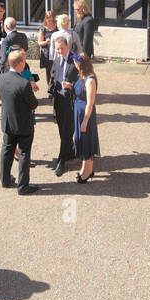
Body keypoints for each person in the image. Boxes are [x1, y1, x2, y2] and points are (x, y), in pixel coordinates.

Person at [0, 48, 40, 194]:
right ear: (21, 63)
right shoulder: (24, 83)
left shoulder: (0, 78)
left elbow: (3, 98)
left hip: (8, 122)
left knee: (7, 150)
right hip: (23, 124)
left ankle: (5, 179)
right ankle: (23, 186)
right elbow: (33, 104)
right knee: (23, 153)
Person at [50, 36, 77, 177]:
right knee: (62, 130)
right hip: (59, 100)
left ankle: (61, 161)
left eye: (61, 48)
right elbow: (53, 77)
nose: (59, 51)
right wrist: (52, 97)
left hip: (71, 101)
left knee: (67, 131)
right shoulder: (56, 59)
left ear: (68, 46)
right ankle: (70, 152)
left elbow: (86, 82)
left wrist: (72, 86)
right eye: (57, 48)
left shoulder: (77, 60)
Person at [72, 55, 101, 183]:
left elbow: (90, 103)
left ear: (80, 64)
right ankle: (85, 168)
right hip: (78, 113)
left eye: (75, 63)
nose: (74, 65)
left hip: (85, 115)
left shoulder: (90, 80)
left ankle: (88, 171)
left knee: (87, 141)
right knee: (82, 142)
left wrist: (85, 120)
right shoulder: (82, 75)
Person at [37, 10, 58, 97]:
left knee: (56, 71)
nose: (49, 22)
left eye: (51, 20)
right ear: (45, 19)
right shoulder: (43, 28)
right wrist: (46, 41)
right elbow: (39, 43)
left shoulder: (57, 27)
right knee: (48, 72)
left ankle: (56, 88)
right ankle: (50, 90)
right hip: (46, 53)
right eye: (48, 20)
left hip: (56, 53)